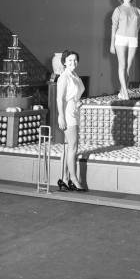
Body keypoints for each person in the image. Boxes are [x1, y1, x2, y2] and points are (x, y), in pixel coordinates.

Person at [56, 50, 86, 191]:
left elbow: (73, 95)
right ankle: (73, 179)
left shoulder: (75, 75)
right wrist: (61, 116)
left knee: (69, 147)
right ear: (64, 62)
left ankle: (64, 178)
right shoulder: (64, 77)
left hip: (75, 112)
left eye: (75, 60)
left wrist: (77, 102)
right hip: (68, 114)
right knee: (73, 147)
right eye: (69, 60)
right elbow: (59, 98)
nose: (72, 62)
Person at [110, 0, 140, 100]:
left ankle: (123, 91)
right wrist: (112, 44)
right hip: (120, 38)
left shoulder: (137, 10)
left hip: (133, 39)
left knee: (128, 67)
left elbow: (138, 27)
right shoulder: (118, 10)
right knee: (122, 65)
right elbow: (114, 27)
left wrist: (136, 38)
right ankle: (125, 92)